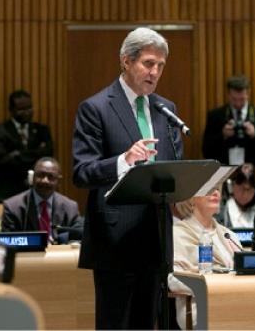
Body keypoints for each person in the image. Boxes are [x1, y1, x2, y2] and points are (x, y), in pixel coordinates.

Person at [72, 27, 183, 329]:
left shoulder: (166, 110)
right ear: (125, 61)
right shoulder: (95, 108)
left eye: (160, 66)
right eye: (148, 63)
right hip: (115, 239)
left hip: (157, 237)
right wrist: (123, 160)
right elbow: (82, 173)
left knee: (148, 323)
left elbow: (173, 167)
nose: (155, 72)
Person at [168, 188, 241, 329]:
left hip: (235, 300)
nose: (216, 193)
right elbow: (173, 279)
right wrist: (211, 282)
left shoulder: (229, 235)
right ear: (191, 198)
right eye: (210, 189)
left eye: (218, 189)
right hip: (199, 306)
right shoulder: (177, 233)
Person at [0, 90, 54, 203]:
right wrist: (36, 152)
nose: (27, 112)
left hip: (38, 191)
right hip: (7, 192)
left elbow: (48, 155)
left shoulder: (42, 130)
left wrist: (17, 154)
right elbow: (0, 160)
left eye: (29, 108)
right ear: (11, 110)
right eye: (21, 110)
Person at [202, 74, 255, 172]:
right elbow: (206, 152)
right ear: (228, 94)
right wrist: (222, 135)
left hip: (253, 175)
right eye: (234, 99)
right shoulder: (216, 116)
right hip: (224, 174)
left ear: (248, 94)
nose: (238, 104)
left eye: (242, 99)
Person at [1, 157, 82, 243]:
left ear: (58, 182)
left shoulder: (70, 207)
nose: (45, 181)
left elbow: (78, 233)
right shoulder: (12, 206)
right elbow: (7, 241)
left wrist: (59, 239)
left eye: (51, 177)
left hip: (59, 254)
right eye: (40, 175)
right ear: (31, 178)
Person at [217, 163, 255, 228]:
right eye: (242, 189)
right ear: (231, 186)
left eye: (249, 190)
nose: (245, 195)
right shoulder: (219, 212)